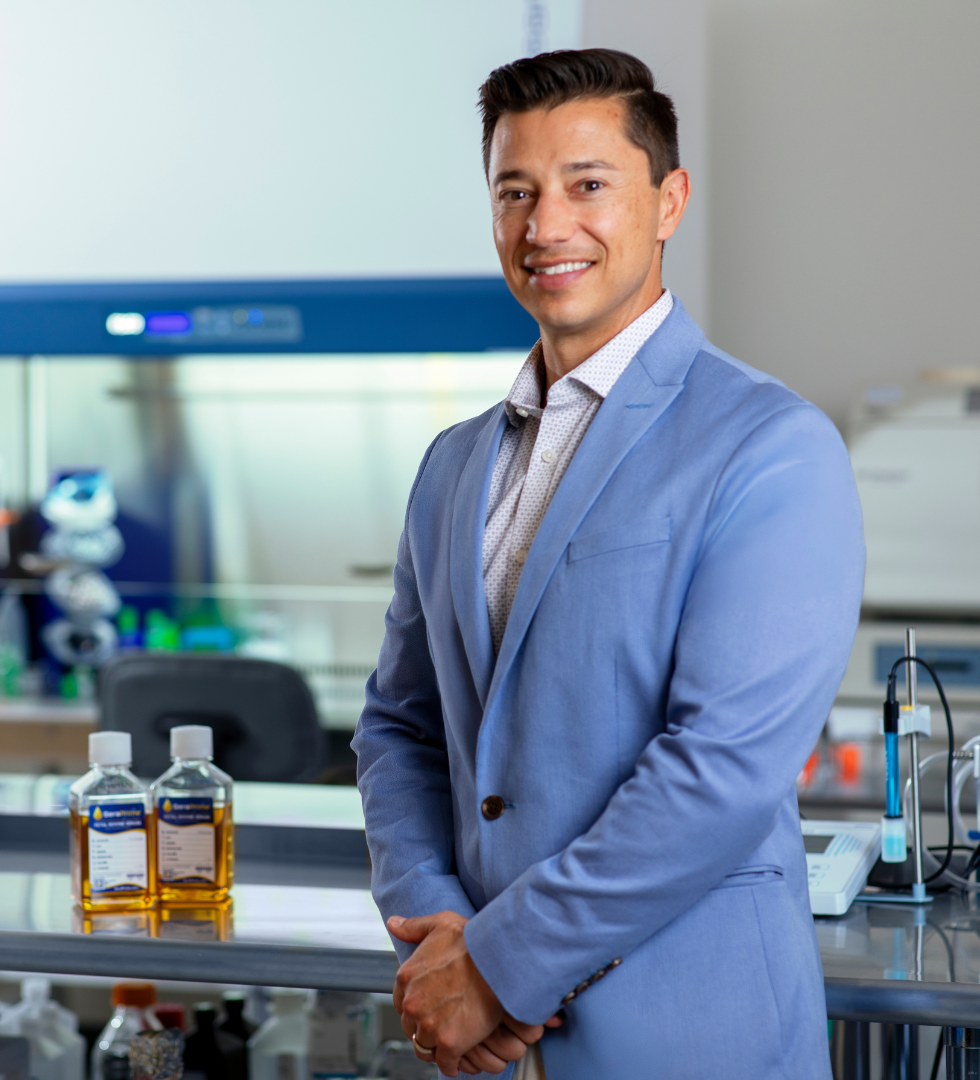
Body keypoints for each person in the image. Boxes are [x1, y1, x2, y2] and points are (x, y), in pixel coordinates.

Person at [353, 48, 864, 1079]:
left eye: (587, 185)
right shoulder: (452, 466)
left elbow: (716, 771)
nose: (545, 228)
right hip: (484, 1047)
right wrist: (432, 921)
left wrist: (495, 967)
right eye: (515, 192)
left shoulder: (768, 445)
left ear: (667, 200)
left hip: (687, 1038)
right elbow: (397, 724)